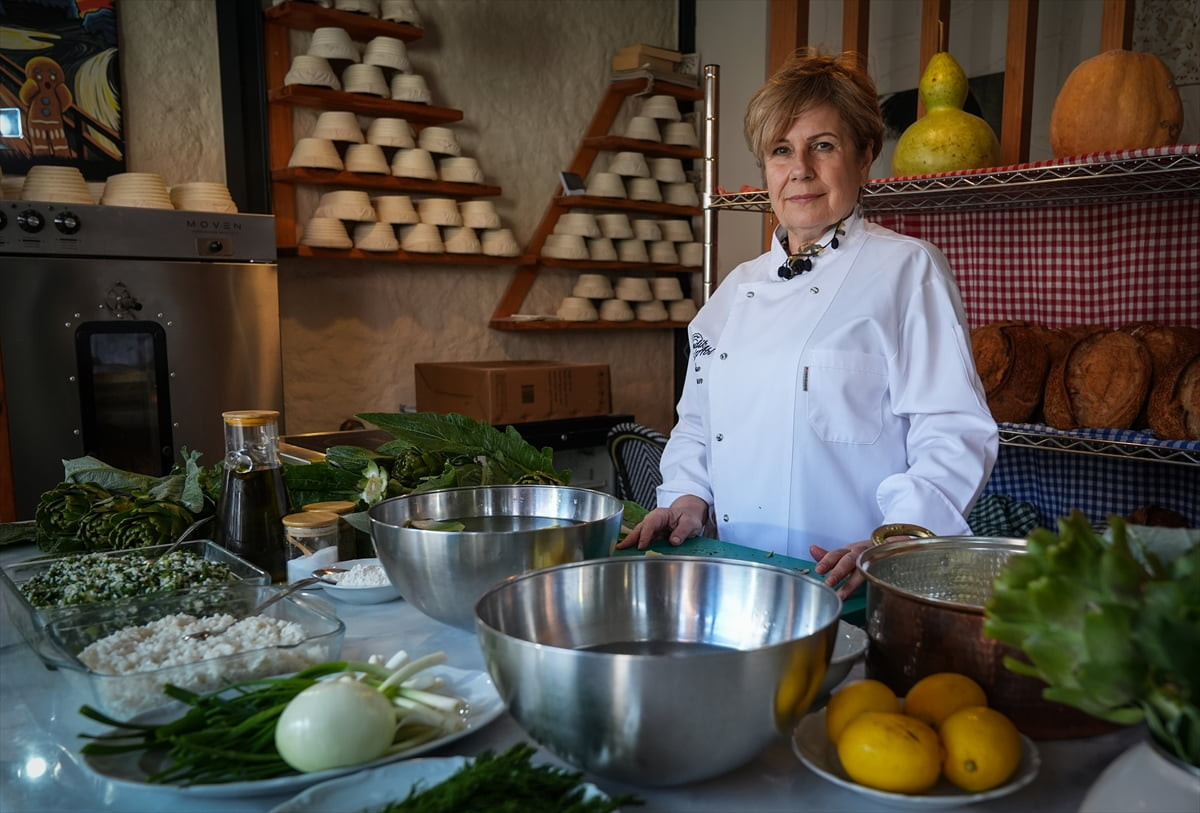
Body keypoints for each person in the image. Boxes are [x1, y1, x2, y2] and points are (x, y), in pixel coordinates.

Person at [617, 49, 998, 598]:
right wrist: (685, 498)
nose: (800, 169)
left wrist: (895, 541)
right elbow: (699, 425)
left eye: (823, 146)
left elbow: (955, 431)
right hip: (739, 576)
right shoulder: (733, 292)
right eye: (781, 150)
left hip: (856, 583)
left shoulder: (907, 270)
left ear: (865, 156)